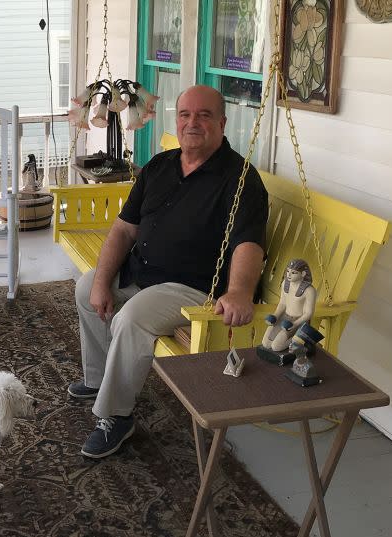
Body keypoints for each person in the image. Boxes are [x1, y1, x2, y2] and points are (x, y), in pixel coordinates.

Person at [68, 85, 269, 459]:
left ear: (222, 123)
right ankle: (98, 381)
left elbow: (248, 244)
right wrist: (100, 281)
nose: (193, 123)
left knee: (131, 319)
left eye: (204, 115)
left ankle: (117, 415)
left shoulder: (241, 180)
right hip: (143, 273)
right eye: (185, 115)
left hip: (192, 287)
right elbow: (124, 229)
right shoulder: (160, 166)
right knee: (86, 288)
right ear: (176, 121)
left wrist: (240, 291)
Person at [261, 259, 316, 353]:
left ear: (303, 274)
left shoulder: (309, 290)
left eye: (293, 272)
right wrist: (275, 316)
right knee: (266, 344)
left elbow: (308, 313)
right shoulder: (285, 284)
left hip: (297, 321)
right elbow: (282, 303)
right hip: (283, 317)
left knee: (276, 347)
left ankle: (299, 339)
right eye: (287, 271)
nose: (289, 275)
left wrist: (294, 324)